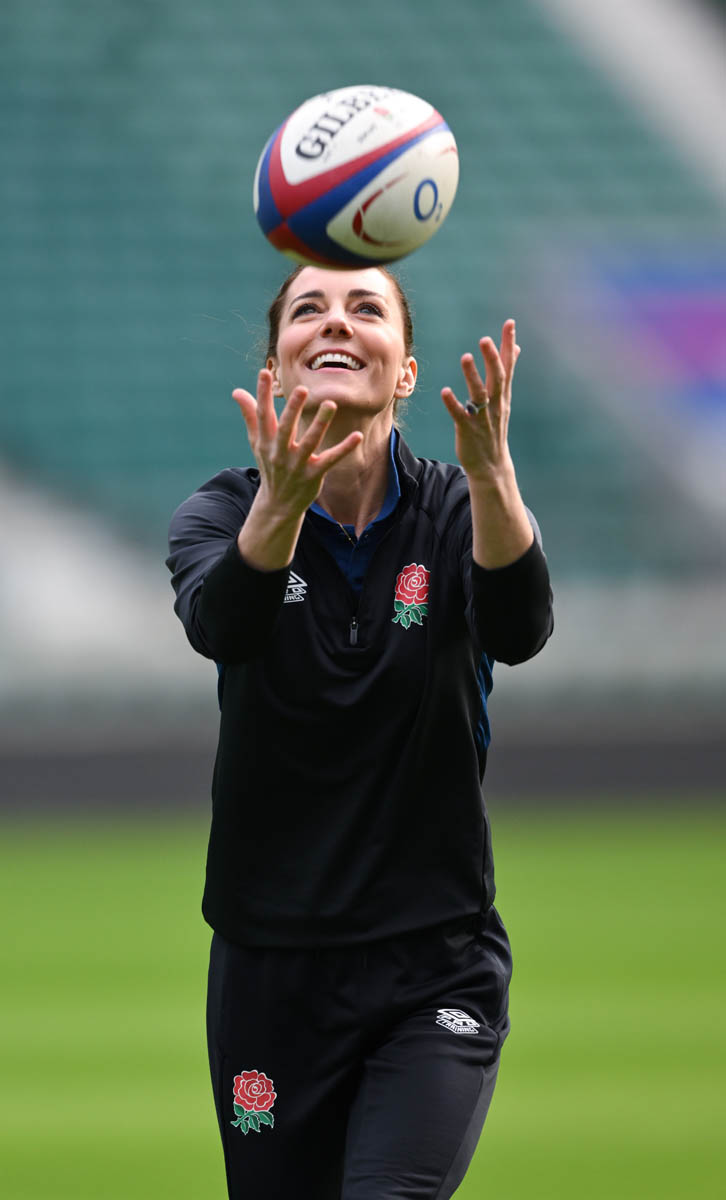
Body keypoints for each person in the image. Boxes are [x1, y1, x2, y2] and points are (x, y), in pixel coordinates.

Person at [167, 262, 553, 1199]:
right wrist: (281, 504)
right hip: (271, 973)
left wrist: (493, 473)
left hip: (435, 965)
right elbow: (225, 626)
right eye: (310, 309)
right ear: (276, 367)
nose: (336, 321)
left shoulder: (457, 506)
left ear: (406, 368)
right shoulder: (219, 513)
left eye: (365, 308)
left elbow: (520, 630)